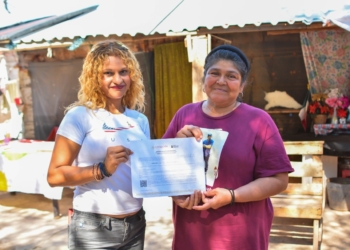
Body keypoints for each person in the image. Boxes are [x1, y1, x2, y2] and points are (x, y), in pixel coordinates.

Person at [163, 44, 294, 250]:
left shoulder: (259, 121)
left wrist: (232, 196)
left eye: (231, 76)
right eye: (214, 73)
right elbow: (159, 171)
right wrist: (175, 192)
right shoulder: (185, 115)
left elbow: (279, 180)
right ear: (204, 79)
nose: (221, 81)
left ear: (242, 86)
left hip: (240, 236)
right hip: (191, 235)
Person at [47, 40, 150, 250]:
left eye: (123, 71)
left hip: (136, 225)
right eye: (108, 73)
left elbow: (144, 173)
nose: (118, 79)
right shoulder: (80, 116)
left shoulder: (139, 120)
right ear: (95, 78)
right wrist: (102, 169)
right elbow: (54, 176)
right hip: (94, 229)